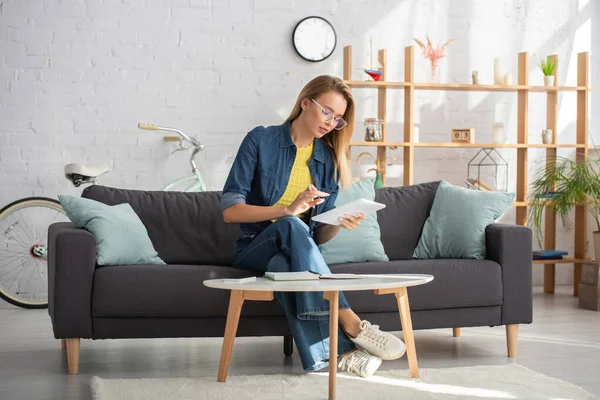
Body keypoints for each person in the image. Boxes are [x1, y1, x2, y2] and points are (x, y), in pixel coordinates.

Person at [221, 75, 405, 378]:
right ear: (305, 102)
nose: (331, 122)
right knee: (292, 224)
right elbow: (230, 211)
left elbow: (318, 234)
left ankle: (338, 356)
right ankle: (351, 321)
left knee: (285, 261)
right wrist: (288, 209)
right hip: (253, 247)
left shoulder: (327, 160)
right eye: (327, 112)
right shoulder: (260, 140)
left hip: (294, 255)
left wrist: (338, 223)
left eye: (338, 119)